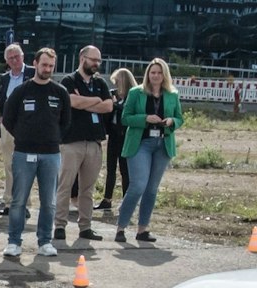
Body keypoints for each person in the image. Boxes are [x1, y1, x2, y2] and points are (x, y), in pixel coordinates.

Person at [0, 46, 70, 259]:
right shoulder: (21, 91)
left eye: (51, 65)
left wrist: (54, 139)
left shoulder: (60, 92)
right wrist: (23, 137)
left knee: (49, 201)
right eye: (44, 64)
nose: (47, 68)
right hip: (23, 154)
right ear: (35, 64)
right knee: (18, 200)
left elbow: (66, 123)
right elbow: (7, 119)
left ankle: (45, 241)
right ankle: (14, 241)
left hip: (50, 155)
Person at [116, 57, 182, 245]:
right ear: (148, 74)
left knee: (151, 189)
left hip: (162, 144)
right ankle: (121, 226)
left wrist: (171, 122)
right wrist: (146, 118)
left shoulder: (172, 94)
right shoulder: (136, 93)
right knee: (138, 185)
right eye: (153, 72)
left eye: (159, 73)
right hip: (141, 143)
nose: (156, 76)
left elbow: (180, 118)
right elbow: (125, 118)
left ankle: (142, 229)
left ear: (164, 75)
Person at [56, 44, 113, 242]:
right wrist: (95, 101)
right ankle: (59, 225)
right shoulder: (69, 80)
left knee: (87, 189)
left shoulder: (100, 83)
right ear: (82, 59)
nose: (97, 64)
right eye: (93, 60)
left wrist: (87, 102)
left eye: (99, 60)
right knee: (65, 185)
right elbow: (72, 101)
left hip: (94, 142)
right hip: (72, 142)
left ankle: (85, 226)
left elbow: (108, 106)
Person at [0, 42, 28, 212]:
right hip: (8, 126)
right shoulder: (5, 78)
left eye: (16, 56)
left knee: (26, 164)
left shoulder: (34, 73)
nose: (14, 60)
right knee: (9, 164)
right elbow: (2, 101)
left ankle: (23, 202)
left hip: (29, 126)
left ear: (23, 56)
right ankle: (9, 199)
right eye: (10, 58)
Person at [98, 66, 134, 211]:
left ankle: (126, 200)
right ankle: (107, 199)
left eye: (117, 82)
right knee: (110, 168)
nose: (115, 85)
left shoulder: (132, 96)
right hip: (113, 135)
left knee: (125, 170)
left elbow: (126, 112)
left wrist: (114, 104)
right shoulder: (114, 95)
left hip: (125, 136)